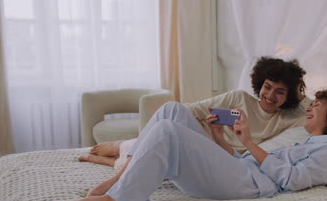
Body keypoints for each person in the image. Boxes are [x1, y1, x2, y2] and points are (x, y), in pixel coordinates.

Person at [57, 89, 327, 201]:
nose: (310, 108)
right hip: (240, 171)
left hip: (252, 187)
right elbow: (247, 161)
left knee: (167, 131)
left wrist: (248, 141)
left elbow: (291, 180)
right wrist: (221, 140)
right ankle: (122, 177)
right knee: (171, 110)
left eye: (317, 105)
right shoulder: (303, 140)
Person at [78, 56, 311, 169]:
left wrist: (300, 93)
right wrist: (205, 121)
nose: (270, 95)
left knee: (152, 160)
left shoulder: (288, 120)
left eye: (280, 92)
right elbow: (190, 109)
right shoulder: (238, 98)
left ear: (288, 96)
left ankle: (102, 157)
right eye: (267, 87)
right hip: (197, 135)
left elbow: (310, 112)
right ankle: (108, 152)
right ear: (260, 84)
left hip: (216, 155)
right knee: (113, 148)